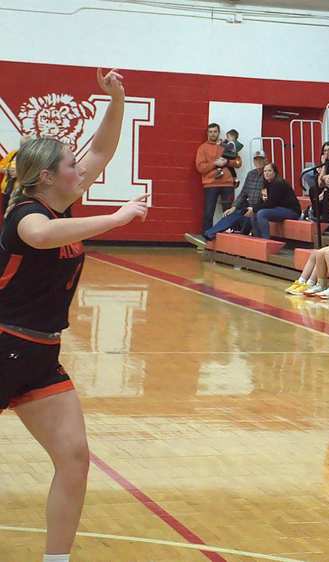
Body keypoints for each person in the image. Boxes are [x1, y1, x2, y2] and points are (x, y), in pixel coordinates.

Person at [0, 68, 149, 561]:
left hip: (40, 353)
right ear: (46, 176)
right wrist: (117, 217)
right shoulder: (25, 214)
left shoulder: (57, 197)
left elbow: (102, 147)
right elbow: (41, 238)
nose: (81, 168)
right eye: (71, 164)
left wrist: (118, 99)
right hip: (4, 344)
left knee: (74, 457)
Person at [191, 150, 266, 243]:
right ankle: (208, 235)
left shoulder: (268, 175)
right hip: (248, 207)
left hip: (259, 209)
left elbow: (268, 199)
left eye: (261, 159)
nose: (258, 162)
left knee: (241, 219)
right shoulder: (251, 174)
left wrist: (254, 209)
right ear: (254, 161)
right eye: (256, 159)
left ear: (265, 160)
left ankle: (210, 235)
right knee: (230, 214)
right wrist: (234, 207)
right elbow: (243, 194)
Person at [195, 123, 237, 232]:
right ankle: (206, 237)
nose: (213, 134)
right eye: (210, 131)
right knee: (208, 213)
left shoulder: (227, 145)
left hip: (228, 184)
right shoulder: (202, 148)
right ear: (207, 133)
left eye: (215, 131)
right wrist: (215, 163)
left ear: (218, 132)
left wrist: (227, 162)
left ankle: (229, 239)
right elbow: (200, 168)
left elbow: (238, 162)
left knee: (228, 212)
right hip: (210, 184)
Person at [249, 163, 301, 240]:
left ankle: (265, 239)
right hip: (278, 209)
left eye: (269, 171)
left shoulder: (278, 183)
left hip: (291, 211)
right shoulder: (266, 184)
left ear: (275, 172)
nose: (266, 173)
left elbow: (271, 203)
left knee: (261, 213)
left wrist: (254, 208)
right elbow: (264, 201)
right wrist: (253, 209)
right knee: (254, 214)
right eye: (265, 171)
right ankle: (258, 240)